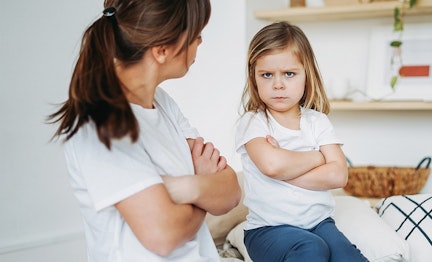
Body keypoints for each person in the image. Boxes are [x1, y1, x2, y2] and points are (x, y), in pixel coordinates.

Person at [48, 0, 241, 261]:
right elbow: (163, 236)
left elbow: (230, 192)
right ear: (161, 50)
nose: (200, 42)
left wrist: (180, 188)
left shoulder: (161, 102)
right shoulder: (99, 124)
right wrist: (203, 192)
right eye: (196, 34)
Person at [234, 21, 368, 262]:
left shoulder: (317, 121)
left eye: (289, 73)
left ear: (307, 74)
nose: (278, 84)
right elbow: (273, 166)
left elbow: (338, 176)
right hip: (267, 230)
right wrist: (318, 158)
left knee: (348, 257)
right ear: (254, 78)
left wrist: (287, 167)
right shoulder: (253, 122)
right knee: (311, 248)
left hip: (319, 223)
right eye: (267, 75)